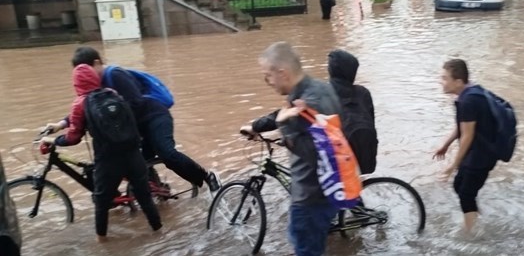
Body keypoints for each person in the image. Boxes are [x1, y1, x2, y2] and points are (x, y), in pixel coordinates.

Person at [46, 47, 220, 194]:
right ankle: (156, 189)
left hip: (154, 116)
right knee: (136, 163)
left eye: (87, 70)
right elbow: (86, 108)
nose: (85, 75)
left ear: (97, 63)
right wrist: (60, 124)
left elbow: (135, 103)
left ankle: (207, 176)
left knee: (166, 153)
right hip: (137, 126)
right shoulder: (94, 86)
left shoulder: (115, 75)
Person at [39, 64, 161, 242]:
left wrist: (54, 140)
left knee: (101, 202)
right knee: (145, 198)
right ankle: (159, 234)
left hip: (109, 160)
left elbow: (73, 138)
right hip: (134, 154)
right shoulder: (112, 93)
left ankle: (102, 243)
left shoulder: (80, 103)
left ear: (76, 85)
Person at [241, 41, 342, 256]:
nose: (266, 81)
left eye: (267, 75)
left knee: (306, 249)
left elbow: (318, 156)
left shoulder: (308, 105)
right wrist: (256, 126)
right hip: (327, 190)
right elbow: (283, 112)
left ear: (282, 73)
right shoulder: (318, 89)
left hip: (311, 196)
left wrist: (286, 127)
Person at [433, 59, 498, 233]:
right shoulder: (468, 93)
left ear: (458, 82)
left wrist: (452, 165)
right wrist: (446, 145)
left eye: (445, 78)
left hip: (481, 154)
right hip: (479, 151)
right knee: (460, 185)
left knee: (466, 193)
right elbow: (462, 126)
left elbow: (467, 135)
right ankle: (477, 219)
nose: (441, 81)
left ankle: (472, 236)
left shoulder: (468, 101)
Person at [327, 49, 378, 174]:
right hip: (365, 157)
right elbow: (371, 121)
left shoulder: (324, 93)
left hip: (338, 160)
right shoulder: (363, 93)